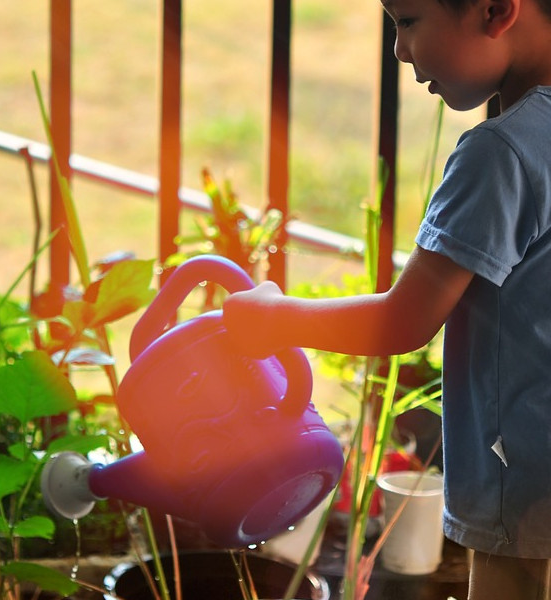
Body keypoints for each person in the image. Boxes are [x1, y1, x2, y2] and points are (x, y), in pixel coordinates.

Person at [222, 0, 551, 598]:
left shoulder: (502, 154)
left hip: (532, 504)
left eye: (407, 21)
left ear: (497, 10)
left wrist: (270, 319)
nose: (399, 49)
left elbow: (402, 322)